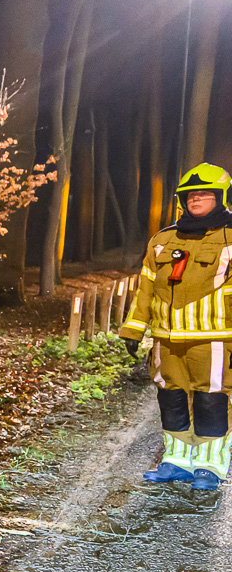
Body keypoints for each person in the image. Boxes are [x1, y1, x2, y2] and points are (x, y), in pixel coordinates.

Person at [121, 162, 232, 491]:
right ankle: (177, 460)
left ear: (221, 197)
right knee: (171, 398)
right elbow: (145, 288)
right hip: (166, 340)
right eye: (190, 195)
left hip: (213, 338)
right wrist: (133, 329)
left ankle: (210, 465)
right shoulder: (163, 239)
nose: (196, 200)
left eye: (204, 195)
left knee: (210, 400)